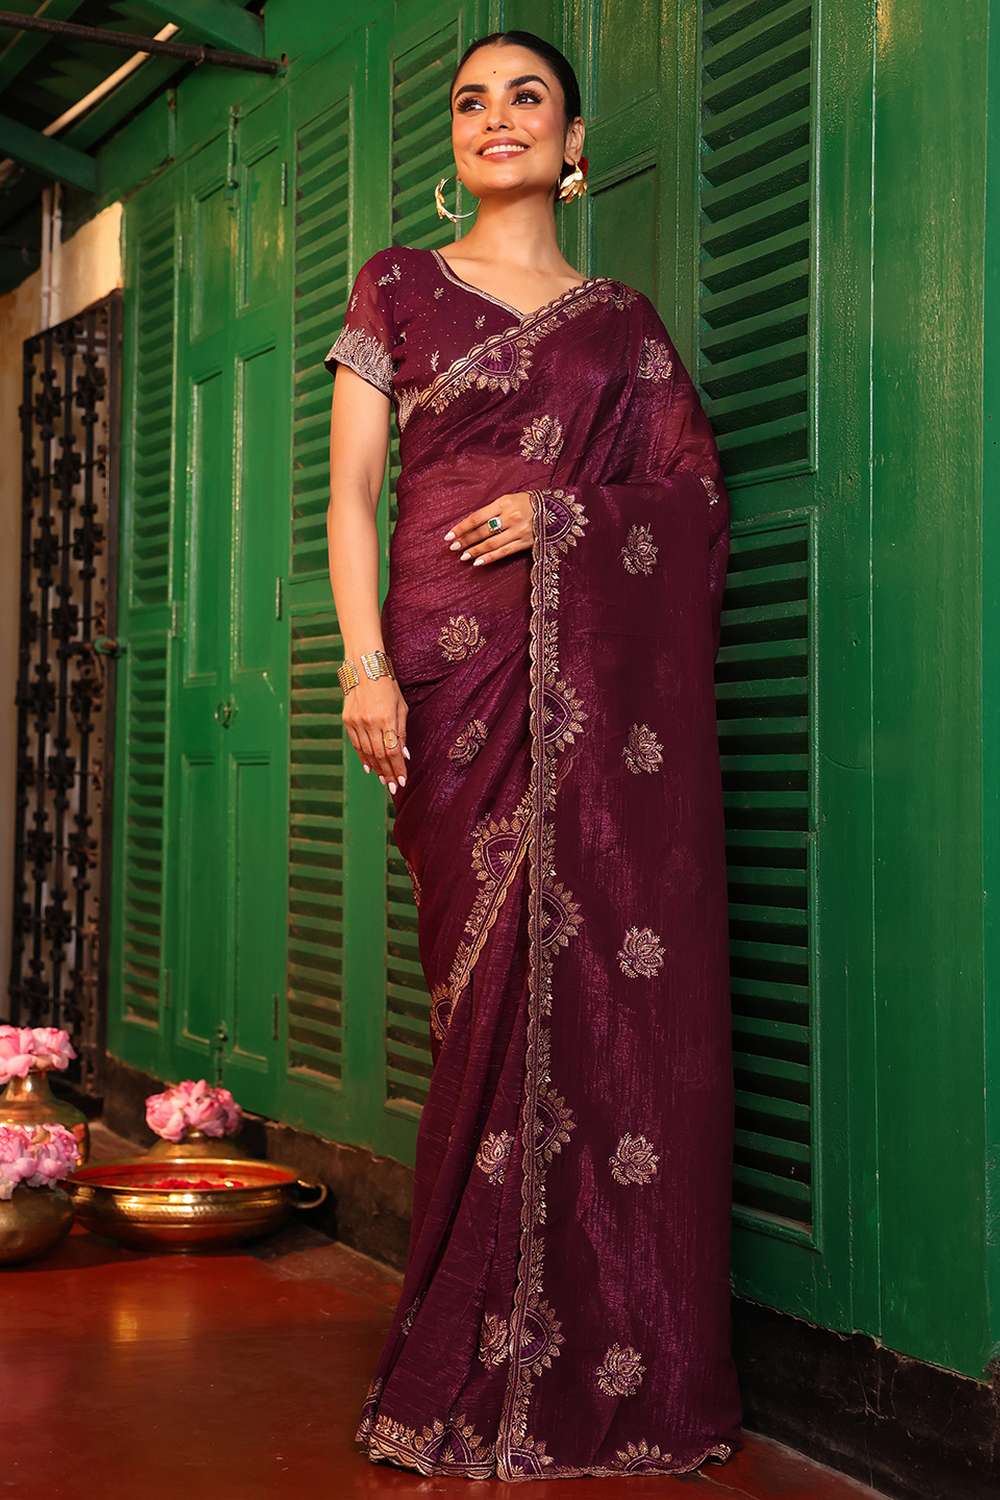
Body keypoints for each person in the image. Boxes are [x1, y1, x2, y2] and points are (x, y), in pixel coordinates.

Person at [324, 27, 743, 1483]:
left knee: (593, 997)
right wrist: (365, 663)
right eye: (470, 101)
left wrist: (567, 519)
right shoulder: (396, 284)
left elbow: (694, 505)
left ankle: (602, 1356)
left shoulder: (621, 327)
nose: (494, 117)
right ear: (456, 142)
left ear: (572, 144)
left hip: (588, 695)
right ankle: (470, 1336)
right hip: (449, 682)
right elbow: (355, 494)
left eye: (527, 99)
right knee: (478, 1009)